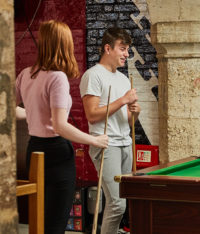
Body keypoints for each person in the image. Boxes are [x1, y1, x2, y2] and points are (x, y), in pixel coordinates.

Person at [16, 20, 109, 234]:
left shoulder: (26, 73)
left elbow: (4, 110)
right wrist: (95, 140)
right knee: (55, 224)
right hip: (56, 154)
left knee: (41, 221)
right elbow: (60, 126)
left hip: (34, 151)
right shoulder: (57, 77)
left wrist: (32, 114)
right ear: (63, 44)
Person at [79, 27, 140, 234]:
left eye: (127, 49)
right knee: (117, 204)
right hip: (106, 144)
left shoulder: (123, 79)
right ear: (108, 48)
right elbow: (92, 114)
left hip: (125, 144)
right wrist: (123, 100)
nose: (126, 54)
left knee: (122, 201)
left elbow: (128, 122)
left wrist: (135, 112)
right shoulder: (93, 75)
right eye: (122, 49)